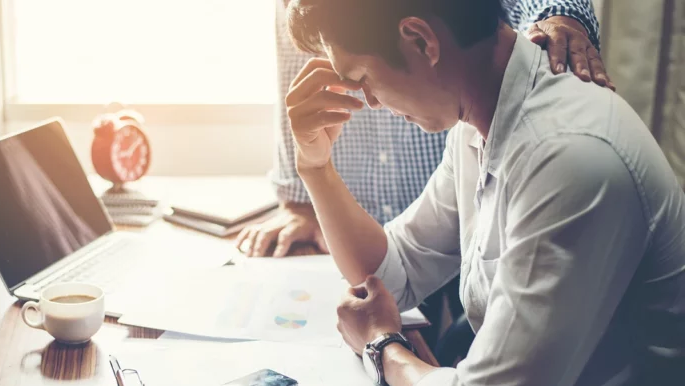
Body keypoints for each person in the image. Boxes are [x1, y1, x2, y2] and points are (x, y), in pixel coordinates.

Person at [284, 0, 685, 386]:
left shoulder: (568, 158)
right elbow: (392, 274)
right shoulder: (478, 120)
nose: (370, 102)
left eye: (363, 76)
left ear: (421, 41)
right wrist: (316, 168)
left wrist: (382, 346)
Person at [236, 0, 609, 258]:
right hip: (364, 207)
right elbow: (295, 75)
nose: (371, 100)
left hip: (465, 190)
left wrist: (560, 17)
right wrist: (299, 195)